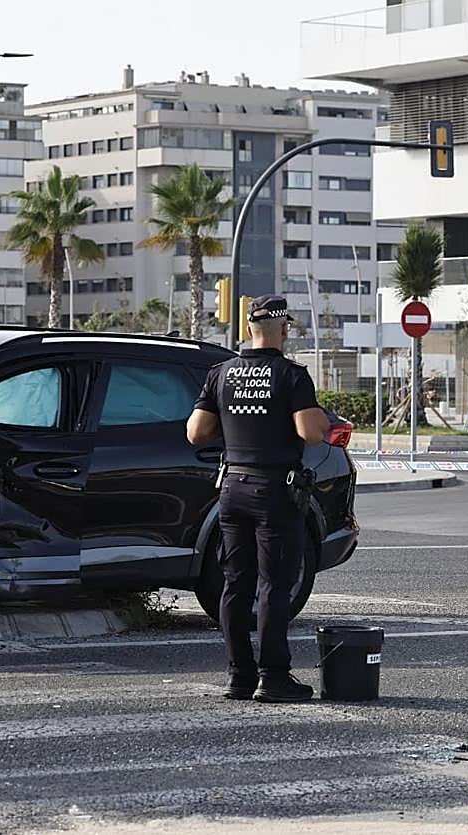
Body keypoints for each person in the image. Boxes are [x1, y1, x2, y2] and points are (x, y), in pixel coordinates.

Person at [186, 295, 330, 702]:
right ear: (283, 329)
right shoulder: (292, 375)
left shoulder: (221, 373)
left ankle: (239, 676)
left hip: (231, 488)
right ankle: (274, 676)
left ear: (249, 328)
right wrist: (316, 415)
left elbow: (196, 433)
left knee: (235, 583)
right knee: (273, 586)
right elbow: (310, 433)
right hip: (275, 491)